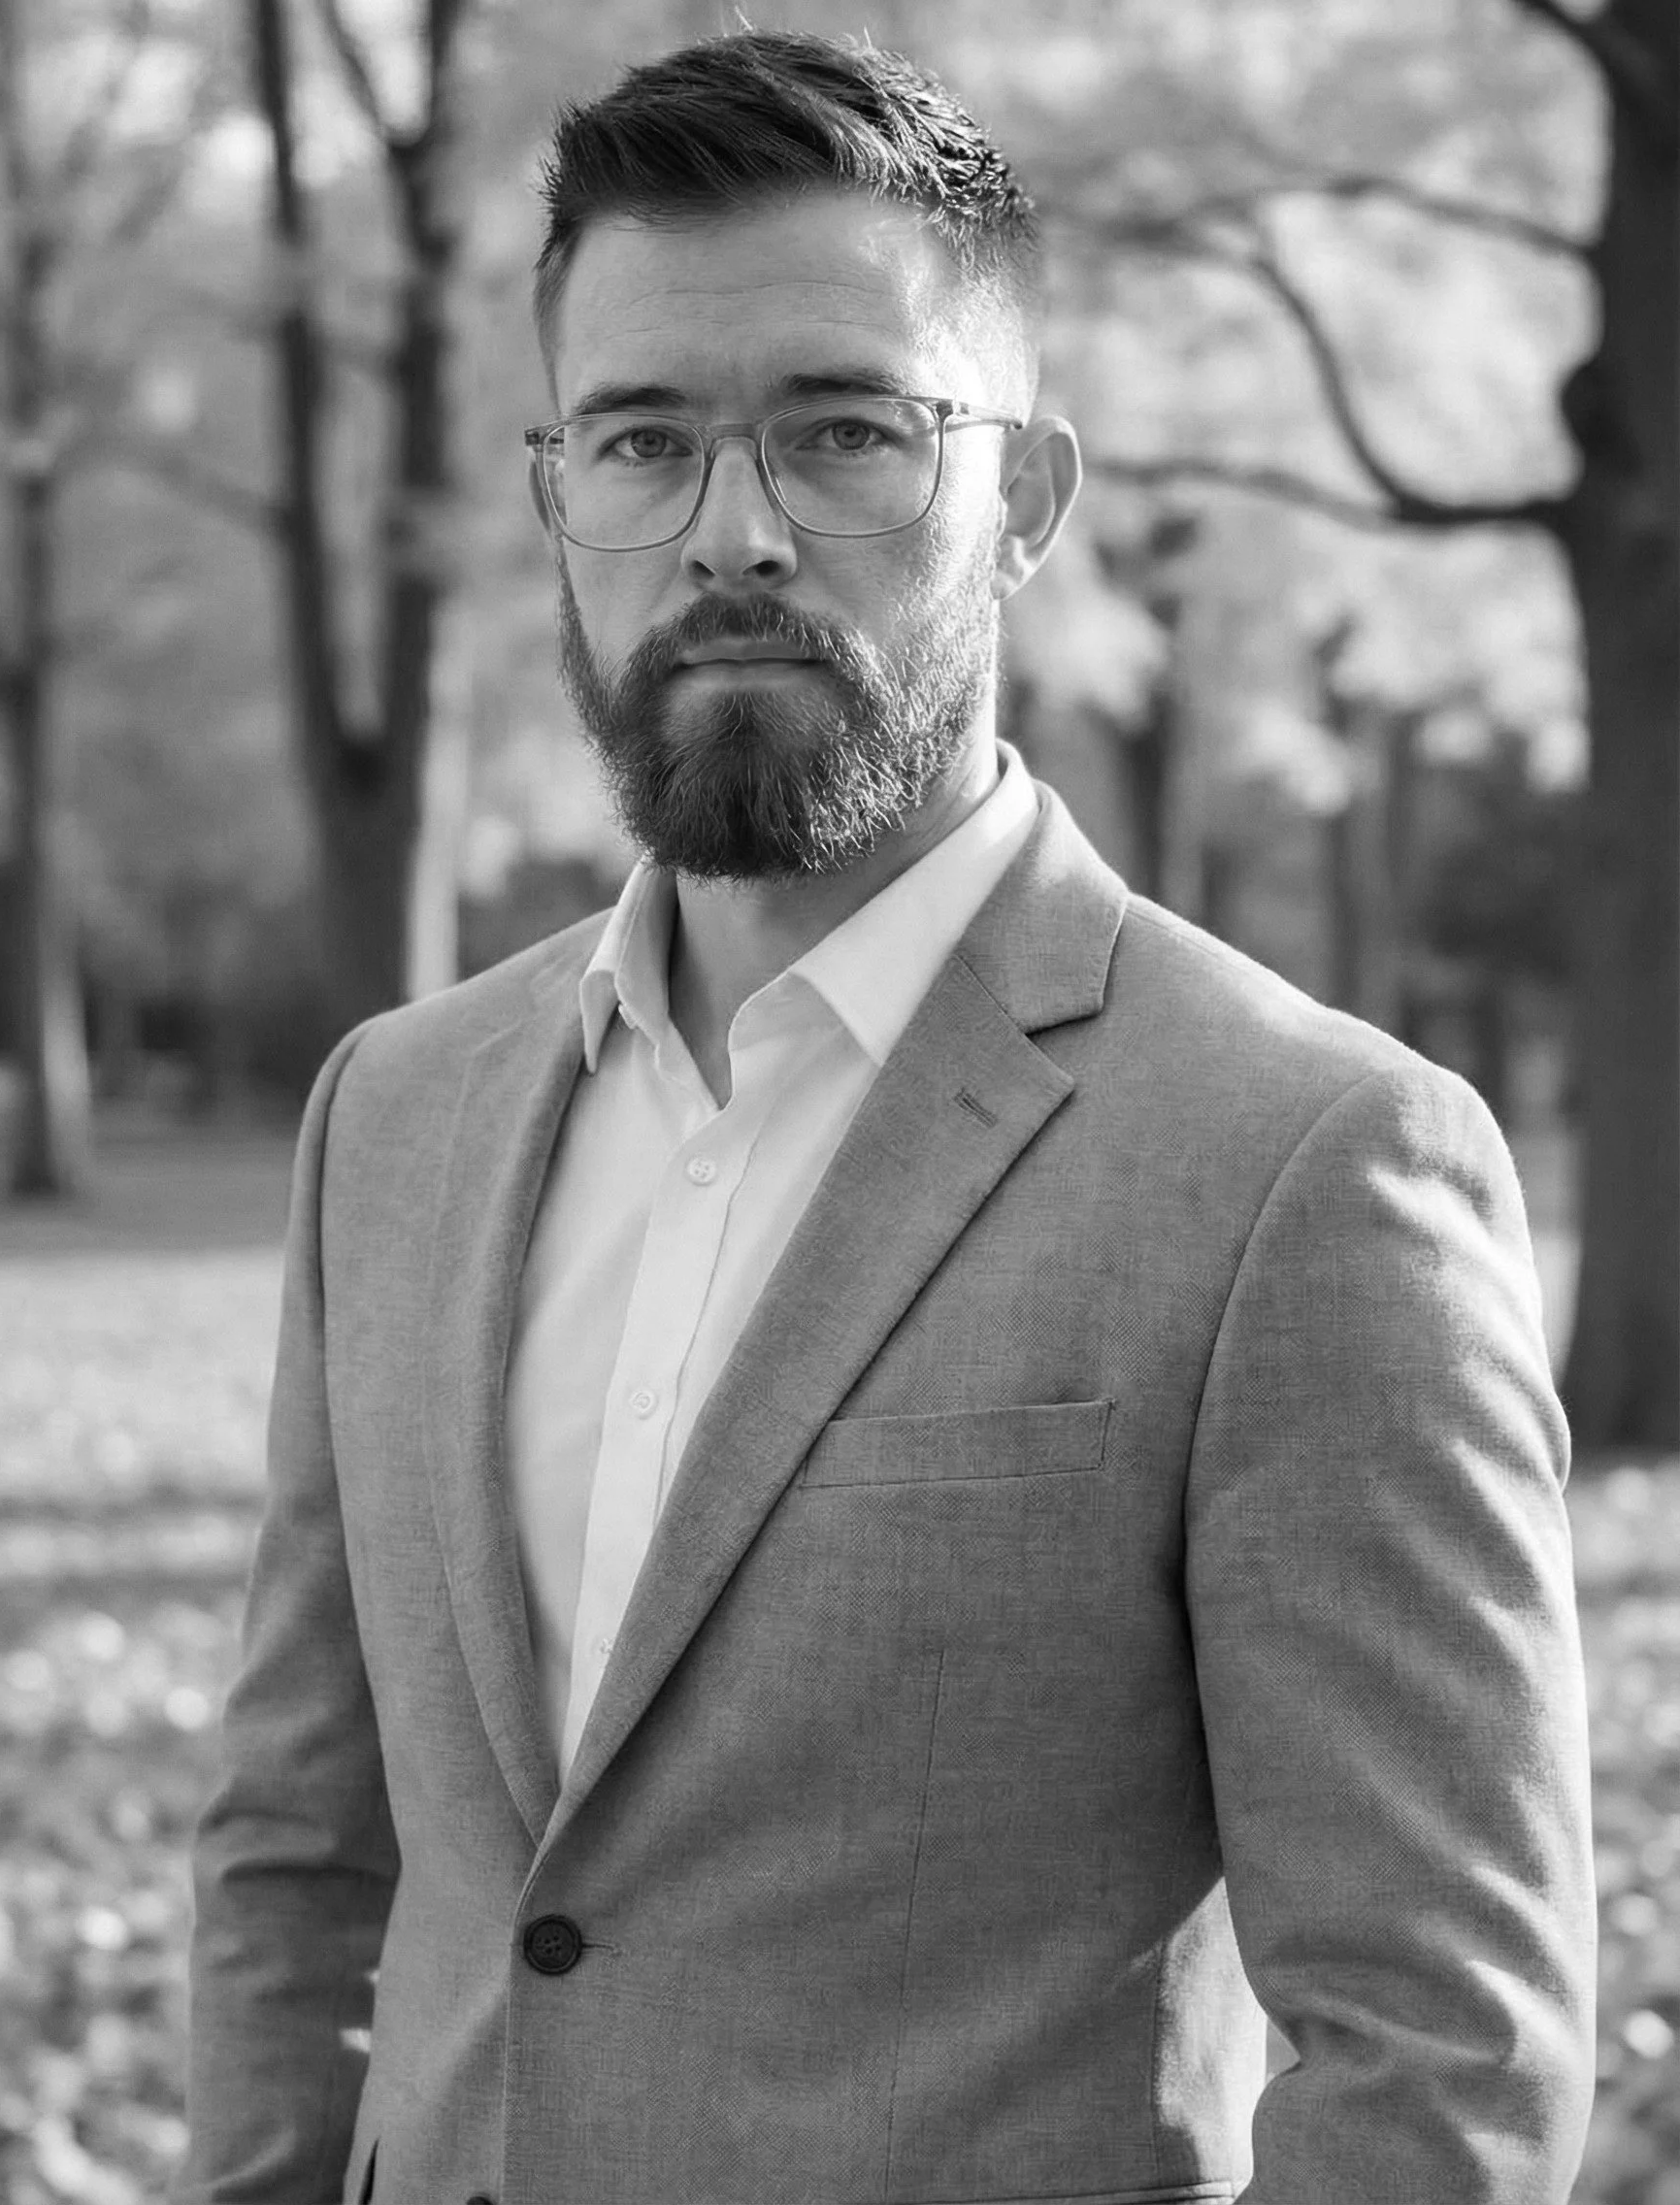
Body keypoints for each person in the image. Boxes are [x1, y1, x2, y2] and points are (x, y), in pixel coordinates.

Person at [178, 31, 1596, 2205]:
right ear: (560, 492)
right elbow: (301, 1857)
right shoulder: (399, 1110)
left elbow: (1441, 2057)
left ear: (1023, 499)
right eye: (642, 438)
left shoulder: (1309, 1168)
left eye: (845, 429)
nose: (730, 532)